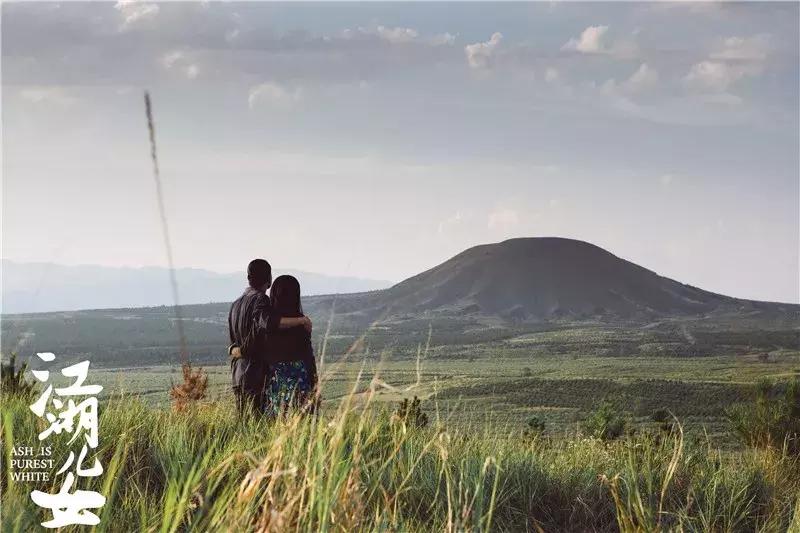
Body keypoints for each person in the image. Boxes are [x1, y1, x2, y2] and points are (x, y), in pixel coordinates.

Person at [228, 259, 312, 416]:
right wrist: (302, 321)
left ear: (248, 277)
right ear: (269, 279)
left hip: (238, 375)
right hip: (255, 376)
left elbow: (233, 343)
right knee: (259, 424)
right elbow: (267, 323)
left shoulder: (235, 304)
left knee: (244, 424)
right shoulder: (261, 300)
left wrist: (235, 351)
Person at [263, 275, 319, 418]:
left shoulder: (268, 324)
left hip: (275, 384)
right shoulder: (302, 323)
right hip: (301, 382)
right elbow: (308, 358)